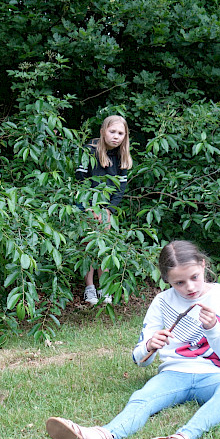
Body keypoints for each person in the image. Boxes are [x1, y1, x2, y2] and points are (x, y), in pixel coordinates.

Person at [46, 240, 220, 439]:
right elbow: (139, 359)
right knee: (142, 399)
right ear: (166, 280)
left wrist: (214, 329)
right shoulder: (162, 302)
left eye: (194, 278)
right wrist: (150, 345)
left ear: (203, 265)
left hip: (217, 375)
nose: (189, 288)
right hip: (174, 374)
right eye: (179, 282)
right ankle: (103, 436)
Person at [76, 115, 132, 305]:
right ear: (103, 132)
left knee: (104, 248)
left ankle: (105, 288)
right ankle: (89, 287)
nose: (116, 137)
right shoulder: (90, 151)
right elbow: (81, 181)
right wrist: (90, 208)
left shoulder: (121, 156)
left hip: (107, 210)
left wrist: (109, 210)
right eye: (112, 131)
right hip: (87, 206)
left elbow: (120, 189)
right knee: (89, 247)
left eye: (120, 133)